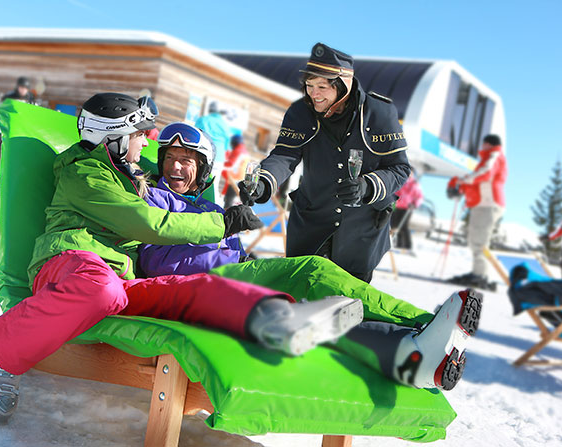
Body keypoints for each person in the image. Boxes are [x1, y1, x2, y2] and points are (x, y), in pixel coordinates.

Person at [0, 93, 365, 425]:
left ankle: (280, 318)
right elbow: (151, 224)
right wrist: (222, 223)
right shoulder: (85, 174)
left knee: (191, 291)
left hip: (118, 279)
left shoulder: (124, 174)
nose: (146, 144)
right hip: (67, 264)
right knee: (100, 288)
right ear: (112, 138)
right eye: (139, 135)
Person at [139, 121, 483, 393]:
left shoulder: (210, 206)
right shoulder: (155, 199)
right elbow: (156, 260)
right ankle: (424, 322)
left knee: (323, 313)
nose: (175, 167)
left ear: (201, 168)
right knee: (314, 271)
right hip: (204, 285)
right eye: (169, 158)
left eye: (185, 160)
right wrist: (229, 256)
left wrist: (239, 250)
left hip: (232, 278)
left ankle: (410, 352)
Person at [238, 43, 410, 284]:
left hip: (360, 233)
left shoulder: (379, 113)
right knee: (302, 294)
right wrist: (264, 182)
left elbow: (400, 168)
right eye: (309, 86)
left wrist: (367, 187)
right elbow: (284, 156)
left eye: (322, 86)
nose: (314, 94)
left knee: (348, 303)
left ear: (344, 85)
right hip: (311, 226)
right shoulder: (300, 112)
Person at [447, 134, 507, 289]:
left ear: (488, 144)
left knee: (480, 241)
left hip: (488, 204)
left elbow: (486, 173)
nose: (482, 147)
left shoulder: (494, 156)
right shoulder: (487, 158)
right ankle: (477, 273)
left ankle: (480, 275)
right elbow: (478, 181)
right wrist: (461, 188)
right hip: (482, 204)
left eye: (484, 144)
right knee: (475, 240)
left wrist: (462, 181)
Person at [391, 168, 423, 250]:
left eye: (411, 173)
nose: (409, 175)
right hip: (397, 206)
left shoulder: (414, 184)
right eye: (408, 173)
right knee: (395, 225)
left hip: (407, 207)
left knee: (403, 226)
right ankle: (398, 244)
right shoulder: (401, 181)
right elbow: (395, 192)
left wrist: (415, 204)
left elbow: (419, 197)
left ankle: (407, 245)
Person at [221, 134, 250, 208]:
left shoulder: (238, 151)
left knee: (229, 200)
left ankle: (226, 216)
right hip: (240, 179)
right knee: (230, 200)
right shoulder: (243, 151)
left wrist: (222, 163)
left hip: (235, 180)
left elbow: (231, 164)